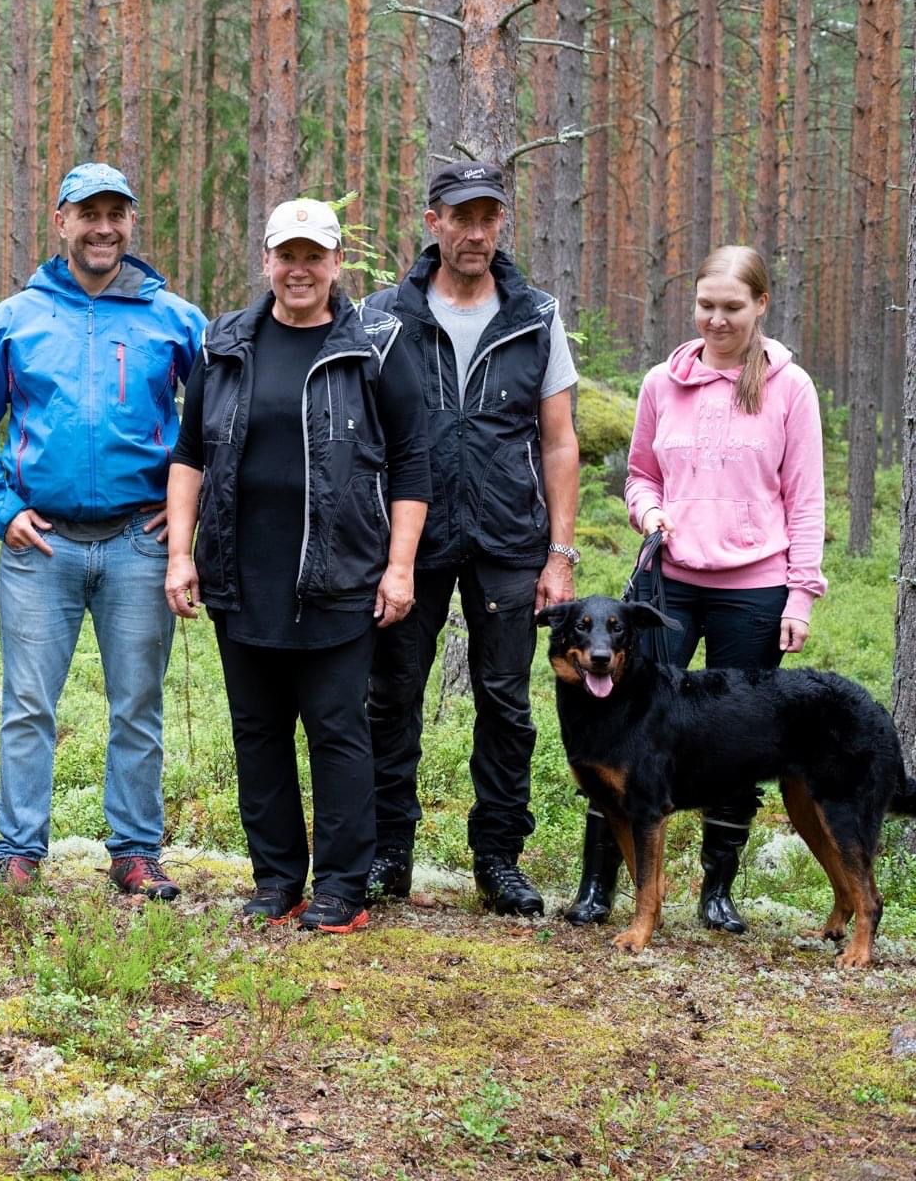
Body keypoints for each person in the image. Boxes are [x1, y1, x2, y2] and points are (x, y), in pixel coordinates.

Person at [164, 201, 430, 934]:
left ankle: (342, 887)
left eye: (315, 256)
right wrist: (181, 554)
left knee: (338, 731)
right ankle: (276, 878)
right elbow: (190, 454)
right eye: (288, 255)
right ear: (267, 261)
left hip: (341, 575)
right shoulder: (224, 342)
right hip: (241, 573)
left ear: (337, 263)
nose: (300, 270)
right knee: (258, 731)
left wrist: (400, 567)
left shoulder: (375, 345)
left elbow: (412, 461)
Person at [0, 161, 207, 899]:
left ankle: (136, 851)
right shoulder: (18, 317)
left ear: (131, 222)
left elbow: (223, 419)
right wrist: (0, 509)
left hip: (139, 542)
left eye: (115, 213)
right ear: (60, 220)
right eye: (87, 213)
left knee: (137, 705)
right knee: (28, 706)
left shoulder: (173, 319)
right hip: (42, 544)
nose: (102, 227)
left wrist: (189, 513)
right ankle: (18, 851)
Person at [568, 244, 825, 932]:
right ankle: (597, 887)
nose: (717, 319)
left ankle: (717, 890)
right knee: (618, 736)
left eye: (732, 306)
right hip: (667, 590)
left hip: (756, 589)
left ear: (761, 305)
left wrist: (800, 596)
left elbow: (805, 500)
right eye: (706, 305)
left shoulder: (791, 388)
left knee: (736, 744)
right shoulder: (663, 382)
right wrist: (648, 510)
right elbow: (641, 474)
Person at [362, 162, 581, 917]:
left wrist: (560, 554)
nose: (477, 232)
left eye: (489, 217)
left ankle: (498, 858)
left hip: (508, 539)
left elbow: (559, 440)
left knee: (506, 703)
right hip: (409, 542)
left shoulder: (535, 315)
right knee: (391, 697)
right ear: (435, 223)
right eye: (462, 217)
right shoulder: (383, 316)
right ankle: (389, 851)